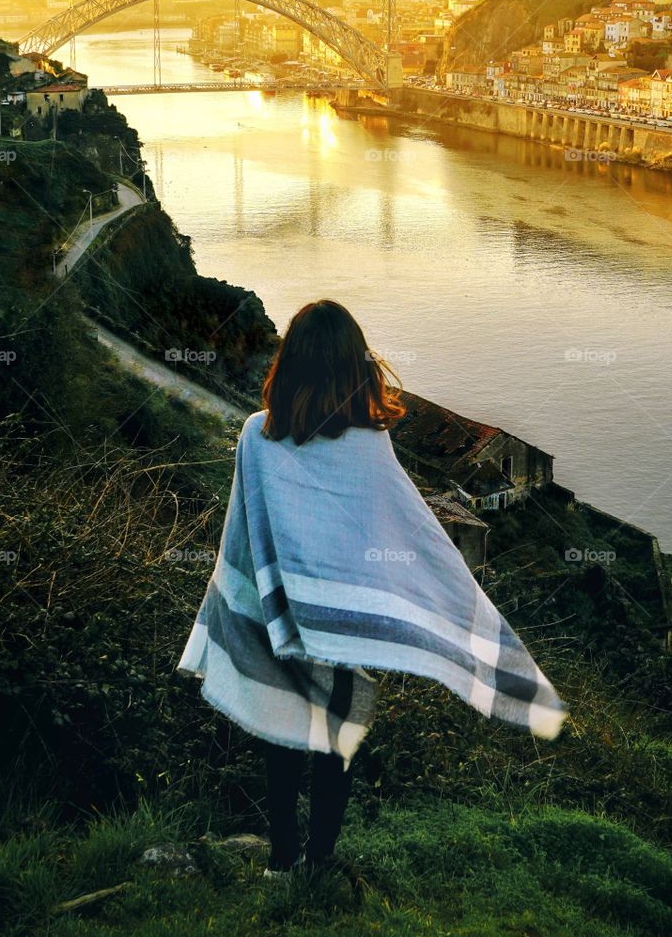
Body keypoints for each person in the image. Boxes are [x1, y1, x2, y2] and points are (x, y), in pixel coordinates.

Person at [177, 300, 566, 878]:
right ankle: (320, 864)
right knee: (335, 749)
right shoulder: (367, 444)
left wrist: (237, 605)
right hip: (341, 627)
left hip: (276, 616)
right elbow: (407, 534)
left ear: (291, 363)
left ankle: (281, 866)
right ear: (354, 368)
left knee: (281, 746)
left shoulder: (257, 436)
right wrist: (441, 600)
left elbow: (241, 537)